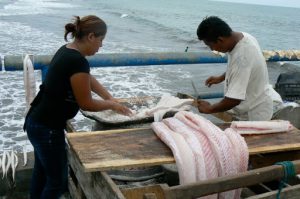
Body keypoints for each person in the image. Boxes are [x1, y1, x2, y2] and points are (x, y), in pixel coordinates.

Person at [23, 15, 132, 199]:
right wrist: (112, 105)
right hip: (47, 129)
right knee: (57, 182)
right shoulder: (76, 60)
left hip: (37, 121)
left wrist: (109, 97)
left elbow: (86, 78)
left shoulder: (68, 50)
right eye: (101, 40)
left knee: (42, 173)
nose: (101, 45)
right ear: (90, 37)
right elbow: (86, 104)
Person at [196, 16, 280, 121]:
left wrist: (209, 108)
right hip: (253, 103)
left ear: (220, 40)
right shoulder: (244, 37)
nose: (212, 49)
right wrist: (221, 78)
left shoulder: (242, 57)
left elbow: (233, 100)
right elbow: (240, 69)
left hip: (252, 115)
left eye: (210, 45)